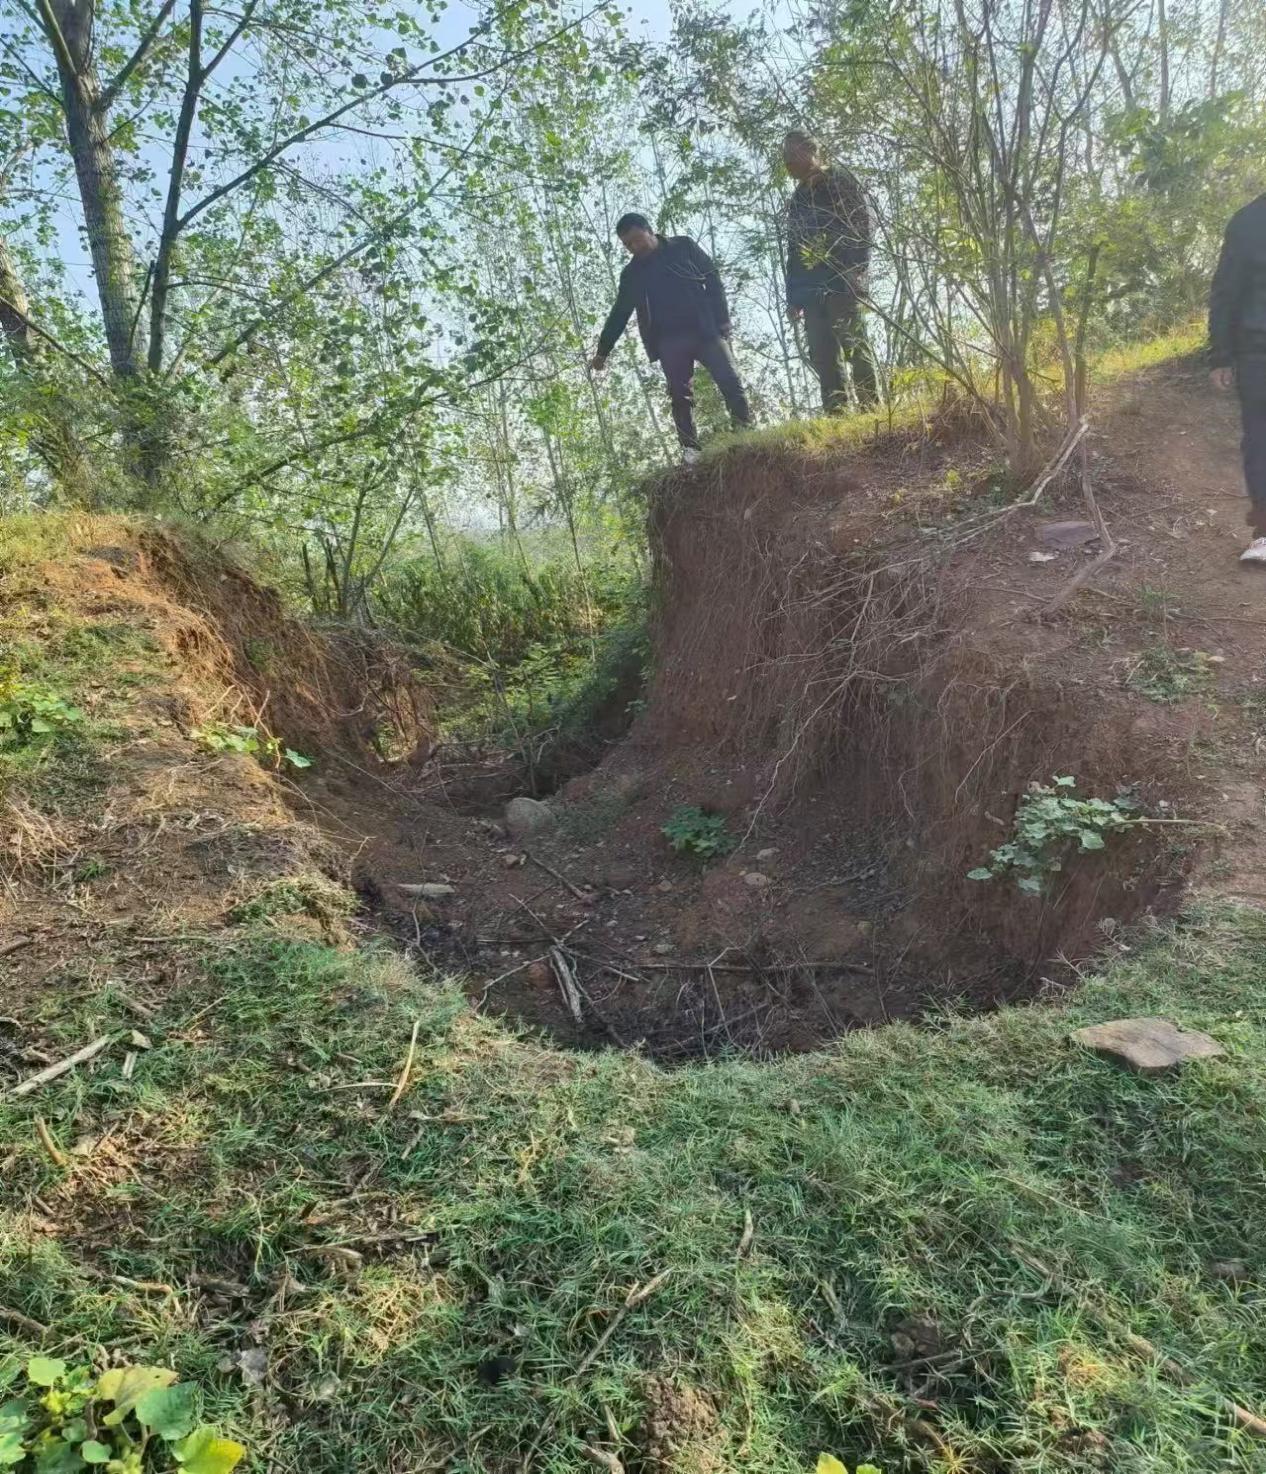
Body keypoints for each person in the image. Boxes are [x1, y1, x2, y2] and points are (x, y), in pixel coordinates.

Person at [590, 213, 753, 462]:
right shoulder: (632, 274)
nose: (634, 247)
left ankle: (744, 434)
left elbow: (712, 277)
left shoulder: (683, 247)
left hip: (705, 329)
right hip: (668, 340)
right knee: (680, 396)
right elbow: (620, 313)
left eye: (636, 239)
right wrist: (603, 351)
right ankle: (691, 450)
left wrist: (722, 318)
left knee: (730, 380)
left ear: (649, 230)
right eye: (627, 244)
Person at [783, 130, 880, 414]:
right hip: (810, 289)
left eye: (792, 154)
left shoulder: (839, 179)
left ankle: (871, 410)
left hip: (841, 277)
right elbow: (794, 249)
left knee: (854, 344)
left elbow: (862, 221)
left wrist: (857, 267)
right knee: (822, 354)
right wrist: (793, 298)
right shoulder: (798, 199)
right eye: (785, 157)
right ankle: (837, 415)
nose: (788, 162)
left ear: (811, 151)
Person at [1209, 192, 1266, 565]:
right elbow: (1226, 291)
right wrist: (1221, 356)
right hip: (1258, 351)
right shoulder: (1248, 222)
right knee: (1261, 439)